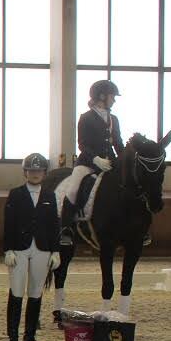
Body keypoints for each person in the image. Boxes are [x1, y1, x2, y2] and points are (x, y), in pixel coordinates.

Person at [2, 153, 61, 341]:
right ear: (25, 172)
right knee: (17, 292)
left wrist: (56, 250)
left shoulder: (49, 195)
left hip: (42, 248)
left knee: (35, 293)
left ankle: (30, 337)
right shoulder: (15, 194)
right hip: (19, 247)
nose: (35, 174)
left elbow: (54, 224)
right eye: (32, 170)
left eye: (39, 171)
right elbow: (8, 223)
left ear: (44, 173)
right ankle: (13, 338)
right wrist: (7, 248)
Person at [58, 79, 123, 247]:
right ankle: (66, 229)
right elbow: (82, 144)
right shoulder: (86, 118)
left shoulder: (113, 119)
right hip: (88, 162)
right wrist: (96, 159)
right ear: (102, 96)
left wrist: (123, 161)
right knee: (72, 189)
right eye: (112, 96)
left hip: (110, 162)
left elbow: (118, 143)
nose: (114, 100)